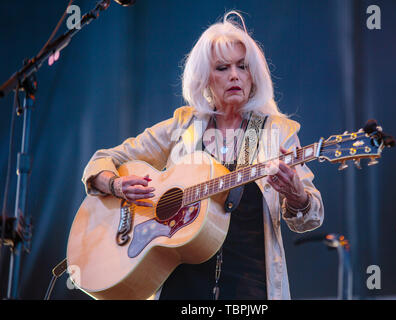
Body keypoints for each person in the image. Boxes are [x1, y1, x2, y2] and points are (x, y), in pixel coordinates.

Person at [81, 11, 324, 300]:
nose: (234, 75)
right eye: (222, 67)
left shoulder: (277, 132)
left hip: (251, 289)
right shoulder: (183, 126)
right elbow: (105, 158)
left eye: (242, 67)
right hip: (179, 288)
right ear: (204, 78)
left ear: (253, 75)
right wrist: (115, 185)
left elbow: (309, 219)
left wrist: (297, 195)